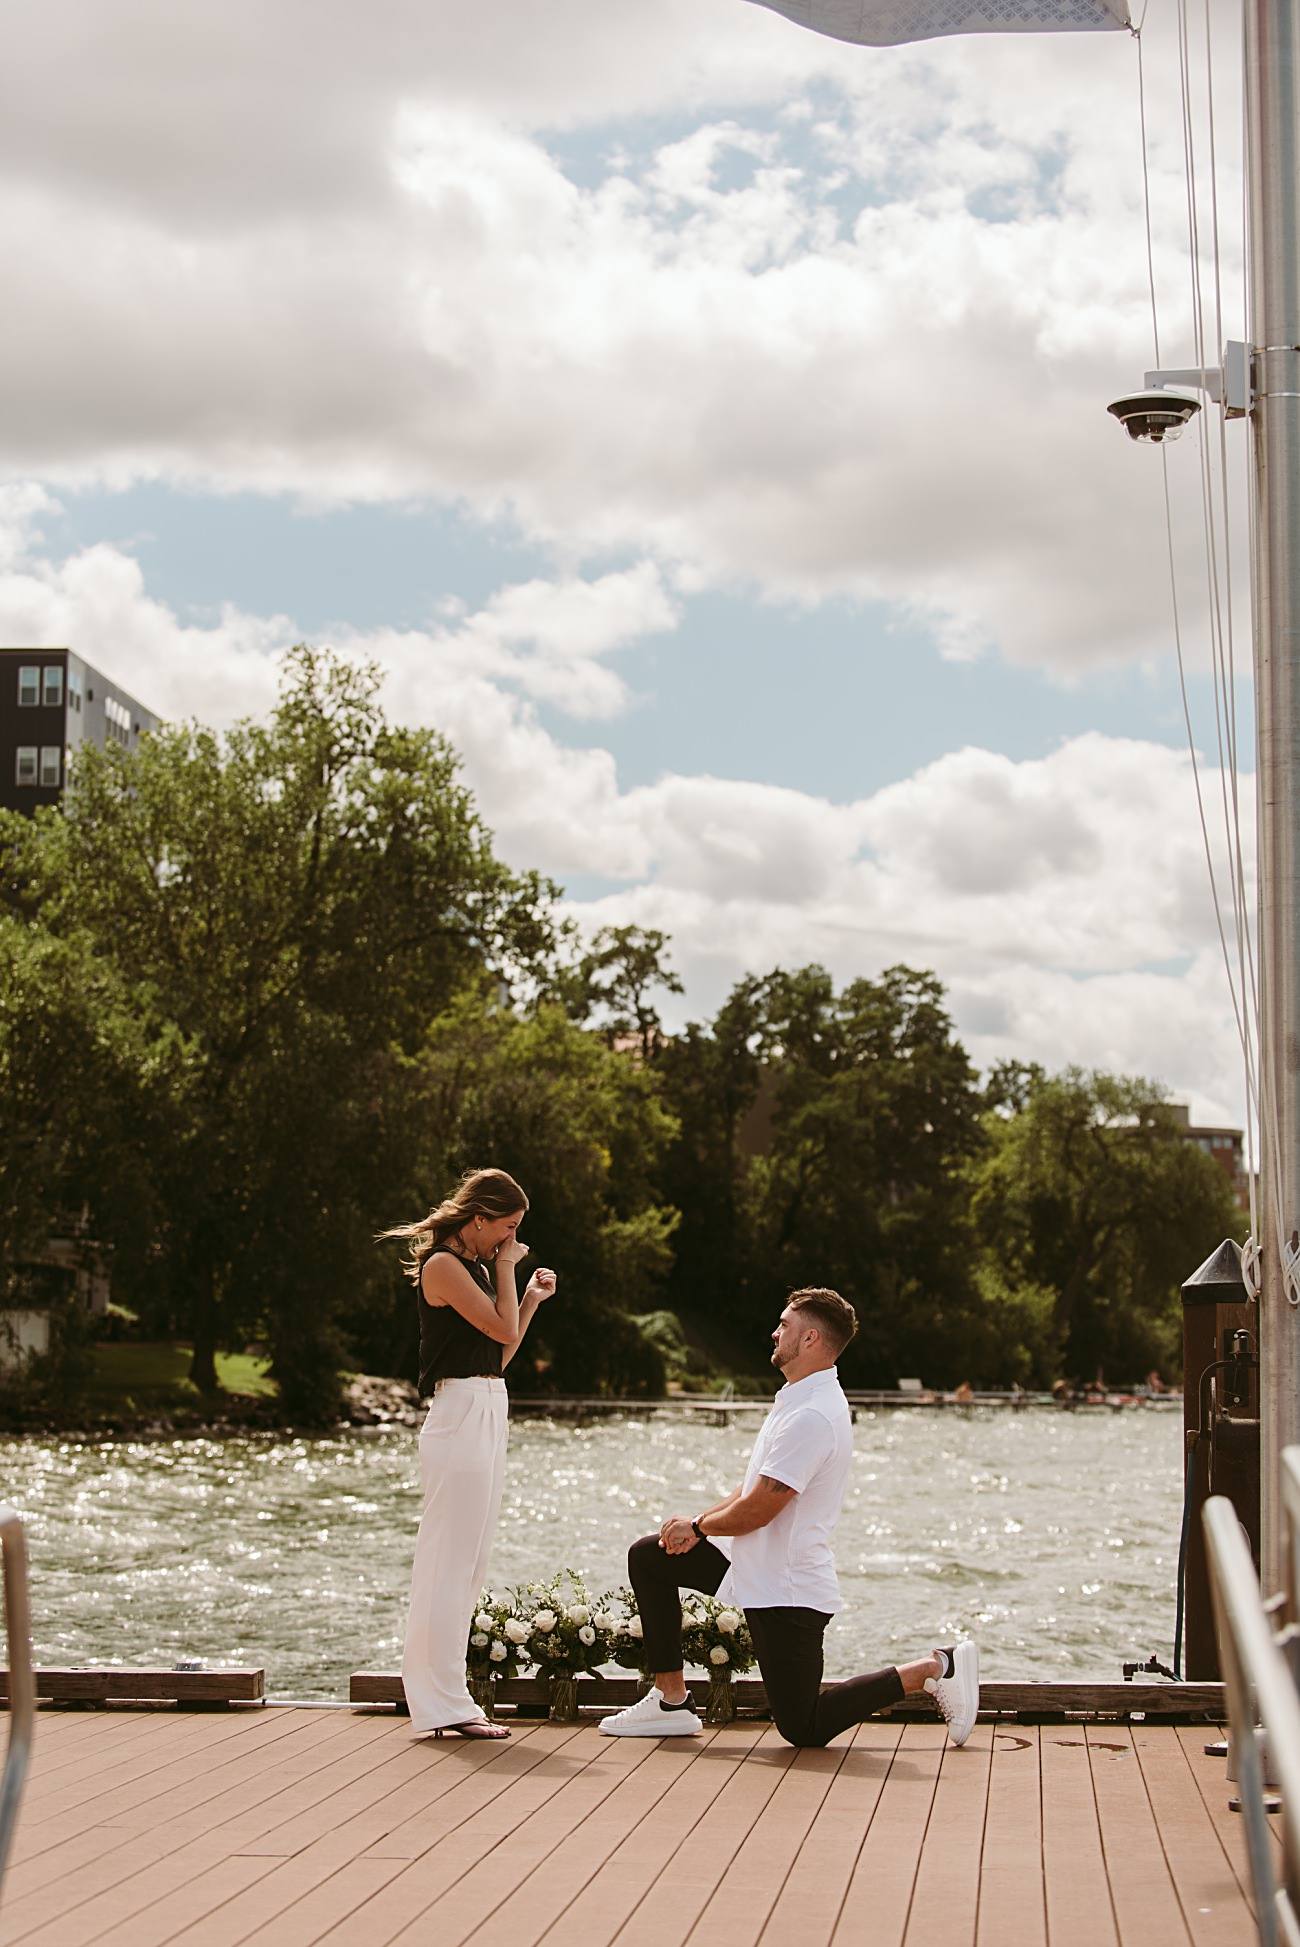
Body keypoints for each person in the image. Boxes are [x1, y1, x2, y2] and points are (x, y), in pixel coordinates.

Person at [599, 1288, 979, 1748]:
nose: (774, 1332)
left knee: (804, 1726)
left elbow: (760, 1509)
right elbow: (753, 1487)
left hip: (787, 1587)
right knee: (651, 1556)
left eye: (785, 1326)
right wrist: (697, 1521)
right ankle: (671, 1701)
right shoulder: (798, 1397)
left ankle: (934, 1669)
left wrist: (698, 1528)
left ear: (811, 1339)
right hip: (752, 1563)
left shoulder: (813, 1415)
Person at [379, 1167, 556, 1741]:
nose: (510, 1240)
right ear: (480, 1218)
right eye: (506, 1228)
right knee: (448, 1561)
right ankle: (440, 1702)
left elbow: (498, 1353)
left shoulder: (479, 1266)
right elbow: (499, 1333)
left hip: (487, 1402)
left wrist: (526, 1300)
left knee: (471, 1561)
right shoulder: (444, 1267)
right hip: (457, 1414)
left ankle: (449, 1698)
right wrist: (509, 1271)